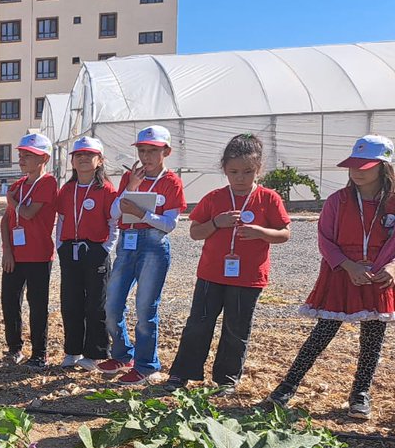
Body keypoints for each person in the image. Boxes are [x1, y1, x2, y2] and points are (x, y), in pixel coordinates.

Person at [269, 135, 395, 420]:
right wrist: (348, 266)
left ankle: (360, 393)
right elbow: (325, 240)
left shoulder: (392, 202)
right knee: (322, 332)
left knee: (373, 338)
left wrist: (391, 267)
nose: (357, 171)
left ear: (383, 167)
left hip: (378, 276)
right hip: (342, 273)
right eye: (353, 165)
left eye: (365, 166)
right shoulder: (338, 201)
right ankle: (287, 386)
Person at [163, 134, 291, 394]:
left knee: (236, 328)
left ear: (259, 169)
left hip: (248, 278)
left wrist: (261, 232)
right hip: (211, 274)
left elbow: (284, 233)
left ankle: (226, 379)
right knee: (198, 324)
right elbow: (195, 232)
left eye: (248, 172)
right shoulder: (214, 198)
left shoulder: (269, 198)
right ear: (224, 169)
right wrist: (215, 223)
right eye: (234, 172)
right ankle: (181, 374)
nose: (240, 178)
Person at [99, 125, 187, 385]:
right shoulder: (131, 177)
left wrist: (143, 215)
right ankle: (122, 354)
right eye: (142, 151)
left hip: (153, 245)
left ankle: (146, 365)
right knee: (112, 305)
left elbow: (170, 224)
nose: (146, 156)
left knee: (145, 307)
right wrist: (132, 187)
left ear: (166, 152)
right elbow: (114, 212)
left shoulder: (171, 182)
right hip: (127, 243)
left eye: (152, 151)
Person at [55, 136, 119, 369]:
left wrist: (105, 248)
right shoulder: (67, 190)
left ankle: (95, 353)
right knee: (70, 302)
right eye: (78, 155)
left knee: (95, 304)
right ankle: (72, 351)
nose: (83, 158)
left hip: (95, 251)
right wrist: (60, 246)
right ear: (72, 161)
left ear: (99, 160)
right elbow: (61, 220)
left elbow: (114, 223)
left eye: (89, 154)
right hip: (69, 250)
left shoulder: (106, 190)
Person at [0, 133, 58, 368]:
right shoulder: (17, 186)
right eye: (21, 154)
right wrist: (7, 251)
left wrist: (12, 202)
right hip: (15, 256)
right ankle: (14, 348)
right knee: (9, 301)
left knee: (37, 305)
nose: (22, 159)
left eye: (28, 155)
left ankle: (39, 353)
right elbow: (6, 221)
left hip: (38, 255)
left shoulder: (48, 183)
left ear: (44, 158)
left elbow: (28, 213)